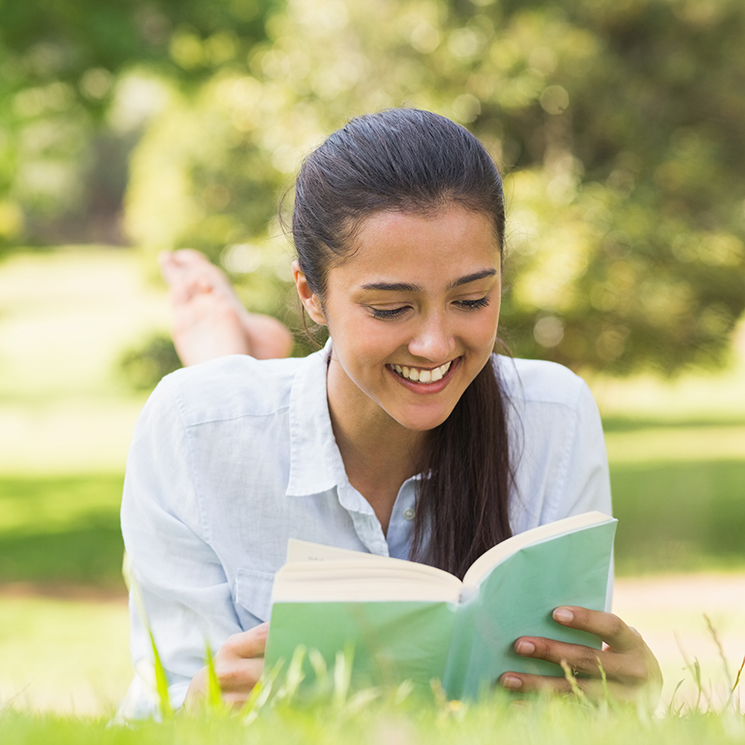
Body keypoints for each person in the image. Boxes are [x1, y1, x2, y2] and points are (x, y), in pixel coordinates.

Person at [119, 108, 661, 717]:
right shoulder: (190, 426)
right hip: (229, 414)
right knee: (217, 404)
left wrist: (624, 697)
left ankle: (242, 350)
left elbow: (564, 700)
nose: (434, 344)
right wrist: (200, 703)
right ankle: (227, 352)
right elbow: (164, 705)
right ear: (310, 294)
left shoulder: (553, 415)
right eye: (390, 308)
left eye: (472, 298)